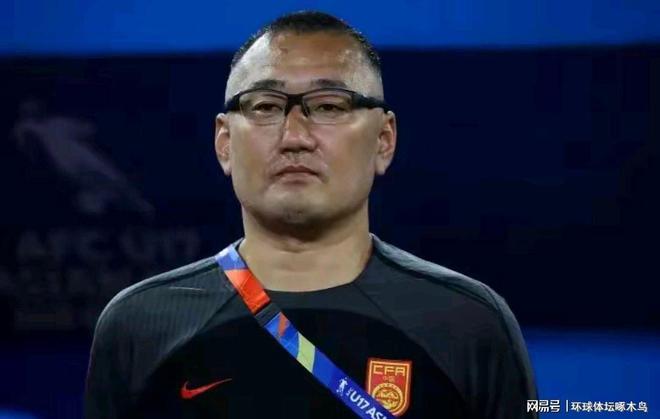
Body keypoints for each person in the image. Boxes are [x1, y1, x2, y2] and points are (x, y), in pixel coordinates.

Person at [85, 11, 538, 419]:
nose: (295, 137)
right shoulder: (139, 325)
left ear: (384, 140)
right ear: (224, 143)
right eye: (265, 107)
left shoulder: (467, 322)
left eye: (328, 106)